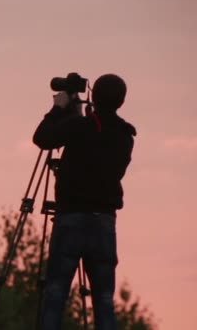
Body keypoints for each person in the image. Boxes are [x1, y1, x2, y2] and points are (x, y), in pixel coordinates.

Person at [33, 74, 137, 329]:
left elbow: (43, 138)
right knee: (103, 300)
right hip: (103, 223)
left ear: (94, 96)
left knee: (56, 294)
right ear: (121, 101)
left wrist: (58, 109)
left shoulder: (80, 127)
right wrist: (77, 115)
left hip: (71, 218)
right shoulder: (125, 135)